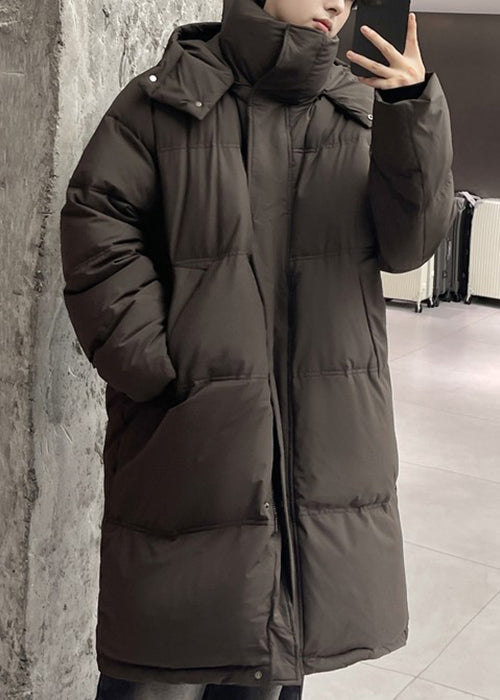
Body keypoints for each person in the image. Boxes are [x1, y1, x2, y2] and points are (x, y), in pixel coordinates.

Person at [59, 0, 457, 698]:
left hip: (318, 442)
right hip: (192, 445)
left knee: (269, 666)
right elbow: (97, 223)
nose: (336, 4)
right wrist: (158, 363)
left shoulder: (362, 111)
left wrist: (413, 115)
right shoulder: (168, 97)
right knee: (159, 668)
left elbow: (410, 245)